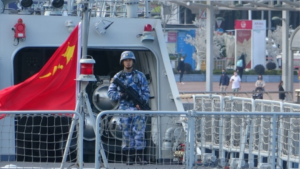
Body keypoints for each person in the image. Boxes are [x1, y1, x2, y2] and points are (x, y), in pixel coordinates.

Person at [107, 51, 150, 165]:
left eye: (130, 60)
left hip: (137, 109)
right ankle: (129, 158)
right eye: (126, 60)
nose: (128, 62)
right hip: (124, 109)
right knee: (126, 134)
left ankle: (140, 157)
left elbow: (146, 92)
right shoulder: (118, 77)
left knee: (139, 132)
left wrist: (141, 103)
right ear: (122, 62)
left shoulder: (140, 75)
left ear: (133, 61)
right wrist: (121, 95)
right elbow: (110, 94)